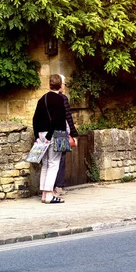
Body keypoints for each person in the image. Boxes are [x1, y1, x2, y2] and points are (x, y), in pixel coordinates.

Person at [32, 74, 67, 203]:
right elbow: (57, 119)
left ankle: (44, 194)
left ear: (50, 84)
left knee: (45, 164)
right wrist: (49, 135)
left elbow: (35, 119)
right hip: (53, 134)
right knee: (54, 164)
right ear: (60, 85)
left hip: (41, 134)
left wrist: (37, 136)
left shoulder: (42, 99)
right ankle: (49, 196)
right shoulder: (59, 99)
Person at [53, 74, 78, 197]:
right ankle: (58, 186)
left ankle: (51, 188)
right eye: (64, 84)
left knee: (51, 161)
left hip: (49, 132)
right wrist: (74, 134)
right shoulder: (62, 98)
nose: (65, 86)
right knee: (61, 159)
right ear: (60, 85)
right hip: (61, 132)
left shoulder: (45, 98)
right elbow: (68, 117)